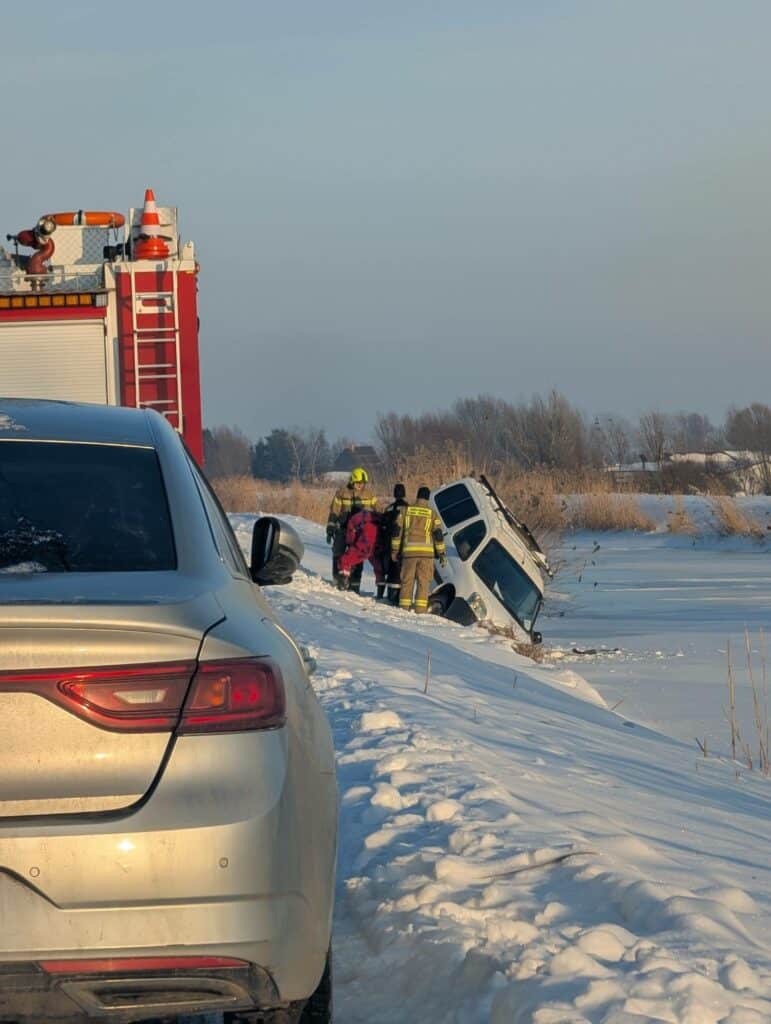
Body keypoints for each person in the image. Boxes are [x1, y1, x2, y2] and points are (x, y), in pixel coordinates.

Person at [391, 485, 447, 613]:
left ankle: (403, 609)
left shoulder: (406, 511)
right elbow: (438, 536)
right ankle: (420, 611)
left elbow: (396, 532)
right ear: (427, 498)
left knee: (407, 581)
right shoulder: (433, 514)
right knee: (423, 583)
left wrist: (394, 551)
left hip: (409, 553)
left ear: (417, 496)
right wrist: (442, 554)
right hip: (427, 555)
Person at [326, 467, 378, 593]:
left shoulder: (369, 495)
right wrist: (330, 528)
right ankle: (338, 579)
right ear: (352, 482)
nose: (360, 485)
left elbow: (376, 511)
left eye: (363, 483)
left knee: (357, 557)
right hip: (343, 529)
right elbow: (334, 511)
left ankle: (355, 585)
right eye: (358, 483)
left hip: (359, 532)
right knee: (338, 553)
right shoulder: (342, 493)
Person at [337, 508, 386, 595]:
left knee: (345, 560)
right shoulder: (379, 516)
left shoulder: (355, 518)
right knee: (379, 567)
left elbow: (351, 532)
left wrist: (351, 544)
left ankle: (342, 583)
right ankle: (380, 592)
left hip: (364, 543)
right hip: (378, 544)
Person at [380, 483, 408, 604]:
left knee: (390, 571)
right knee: (399, 572)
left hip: (388, 545)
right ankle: (397, 598)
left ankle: (389, 596)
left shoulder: (388, 509)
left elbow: (382, 526)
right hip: (402, 545)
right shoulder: (408, 509)